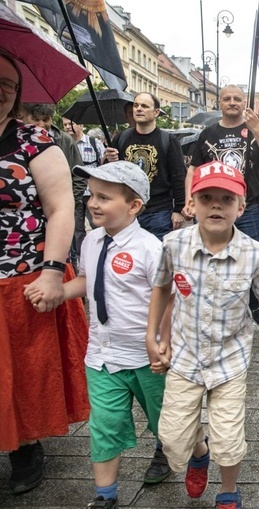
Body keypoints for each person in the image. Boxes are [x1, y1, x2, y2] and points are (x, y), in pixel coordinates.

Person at [145, 161, 259, 509]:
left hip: (230, 361)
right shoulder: (173, 245)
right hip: (184, 358)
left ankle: (228, 489)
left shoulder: (254, 253)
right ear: (192, 204)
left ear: (241, 207)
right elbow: (162, 289)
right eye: (207, 198)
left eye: (227, 198)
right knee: (172, 436)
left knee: (229, 437)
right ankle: (198, 451)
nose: (217, 205)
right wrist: (153, 337)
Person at [25, 161, 173, 508]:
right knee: (103, 427)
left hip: (145, 357)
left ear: (134, 205)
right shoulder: (91, 240)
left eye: (104, 197)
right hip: (103, 357)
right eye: (91, 195)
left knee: (168, 424)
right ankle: (105, 496)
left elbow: (169, 298)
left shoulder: (151, 248)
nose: (92, 203)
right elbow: (90, 281)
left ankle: (192, 450)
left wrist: (164, 342)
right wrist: (60, 292)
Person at [0, 52, 89, 495]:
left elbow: (61, 209)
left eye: (8, 84)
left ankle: (26, 446)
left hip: (24, 274)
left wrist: (53, 272)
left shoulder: (34, 142)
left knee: (27, 368)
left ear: (17, 96)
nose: (0, 89)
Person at [184, 84, 259, 325]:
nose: (233, 102)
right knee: (213, 255)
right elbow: (194, 169)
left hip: (248, 205)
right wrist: (189, 198)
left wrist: (257, 128)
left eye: (237, 98)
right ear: (220, 103)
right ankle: (218, 303)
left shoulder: (256, 129)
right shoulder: (208, 134)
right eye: (227, 99)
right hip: (214, 205)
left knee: (246, 256)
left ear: (244, 101)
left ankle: (253, 300)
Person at [105, 92, 186, 240]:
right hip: (127, 209)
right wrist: (109, 160)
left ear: (156, 112)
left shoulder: (168, 140)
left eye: (144, 106)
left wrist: (178, 209)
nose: (138, 109)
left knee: (156, 259)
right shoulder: (121, 138)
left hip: (158, 211)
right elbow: (110, 173)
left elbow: (179, 176)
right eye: (136, 105)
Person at [21, 104, 86, 268]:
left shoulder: (63, 139)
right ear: (25, 117)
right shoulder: (17, 141)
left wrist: (72, 202)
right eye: (36, 120)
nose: (42, 124)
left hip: (63, 209)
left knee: (66, 251)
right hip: (31, 217)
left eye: (46, 119)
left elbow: (78, 174)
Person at [63, 116, 106, 266]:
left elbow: (104, 165)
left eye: (71, 124)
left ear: (80, 125)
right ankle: (82, 261)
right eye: (65, 124)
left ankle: (100, 255)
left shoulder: (94, 143)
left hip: (92, 193)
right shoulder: (64, 144)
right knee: (77, 229)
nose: (68, 127)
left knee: (97, 225)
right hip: (73, 193)